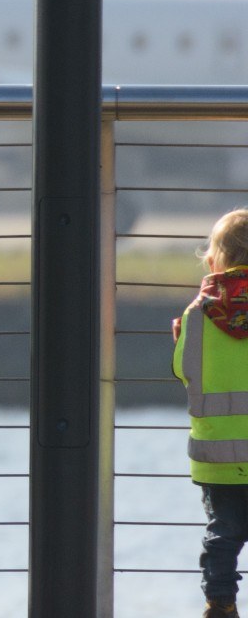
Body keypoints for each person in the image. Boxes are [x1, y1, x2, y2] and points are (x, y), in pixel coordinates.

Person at [174, 208, 248, 618]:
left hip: (217, 456)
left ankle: (219, 602)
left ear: (213, 260)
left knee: (223, 532)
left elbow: (181, 369)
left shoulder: (196, 316)